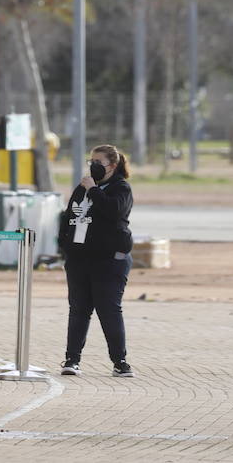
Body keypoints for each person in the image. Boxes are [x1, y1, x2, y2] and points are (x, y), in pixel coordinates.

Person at [58, 143, 135, 378]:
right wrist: (66, 247)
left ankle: (120, 361)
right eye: (91, 162)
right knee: (78, 310)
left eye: (98, 162)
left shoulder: (120, 188)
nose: (93, 166)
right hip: (80, 259)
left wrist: (94, 190)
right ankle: (72, 359)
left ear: (112, 165)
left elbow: (113, 211)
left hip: (109, 260)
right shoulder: (82, 188)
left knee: (109, 310)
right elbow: (68, 216)